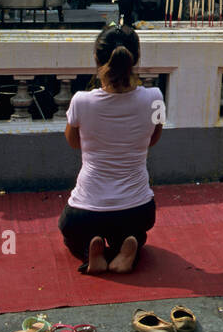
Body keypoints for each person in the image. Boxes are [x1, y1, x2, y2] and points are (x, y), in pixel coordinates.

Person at [60, 25, 162, 274]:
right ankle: (130, 245)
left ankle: (89, 250)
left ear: (97, 57)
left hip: (86, 211)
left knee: (70, 233)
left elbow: (74, 142)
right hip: (137, 209)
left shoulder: (81, 101)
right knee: (136, 231)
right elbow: (152, 139)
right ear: (135, 58)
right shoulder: (155, 97)